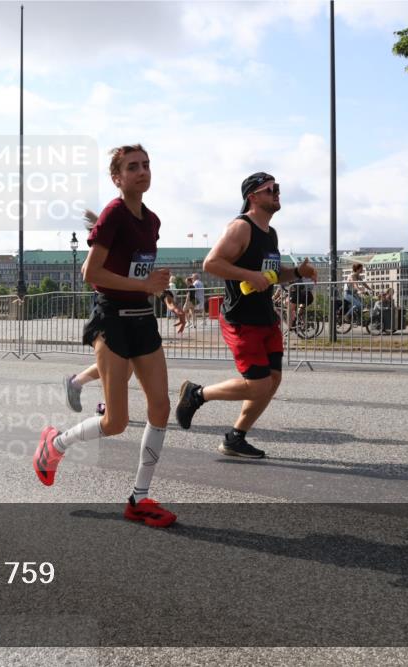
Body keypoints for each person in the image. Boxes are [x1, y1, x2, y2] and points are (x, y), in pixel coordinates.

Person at [35, 144, 186, 528]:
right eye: (133, 167)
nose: (142, 171)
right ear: (117, 178)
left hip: (142, 320)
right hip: (113, 319)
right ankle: (55, 445)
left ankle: (139, 498)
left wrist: (164, 294)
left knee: (161, 408)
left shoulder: (151, 220)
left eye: (147, 165)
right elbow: (91, 273)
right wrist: (144, 284)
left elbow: (143, 272)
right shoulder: (114, 214)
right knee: (116, 422)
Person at [175, 172, 317, 459]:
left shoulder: (270, 234)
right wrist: (248, 274)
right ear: (253, 196)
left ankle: (235, 437)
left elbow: (272, 276)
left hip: (266, 317)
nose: (277, 193)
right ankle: (196, 394)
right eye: (270, 189)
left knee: (273, 381)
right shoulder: (241, 227)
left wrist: (298, 273)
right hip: (241, 318)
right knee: (258, 385)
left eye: (278, 188)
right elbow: (211, 263)